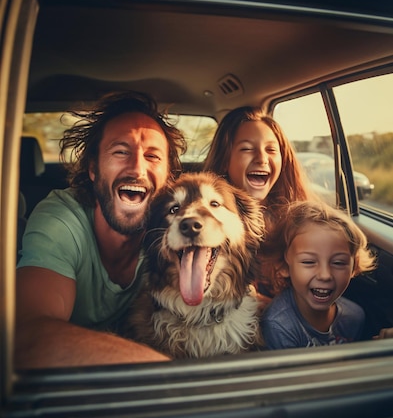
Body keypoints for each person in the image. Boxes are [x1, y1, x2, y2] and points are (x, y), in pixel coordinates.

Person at [15, 90, 187, 369]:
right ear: (93, 168)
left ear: (168, 178)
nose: (137, 169)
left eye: (153, 156)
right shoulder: (60, 219)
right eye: (121, 151)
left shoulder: (172, 230)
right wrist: (173, 380)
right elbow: (24, 334)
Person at [203, 106, 317, 297]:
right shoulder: (213, 221)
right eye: (247, 149)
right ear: (225, 160)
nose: (262, 158)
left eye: (271, 149)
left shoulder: (294, 216)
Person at [260, 200, 377, 349]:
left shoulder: (355, 317)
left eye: (338, 263)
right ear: (284, 266)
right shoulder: (278, 326)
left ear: (354, 267)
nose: (325, 275)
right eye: (309, 262)